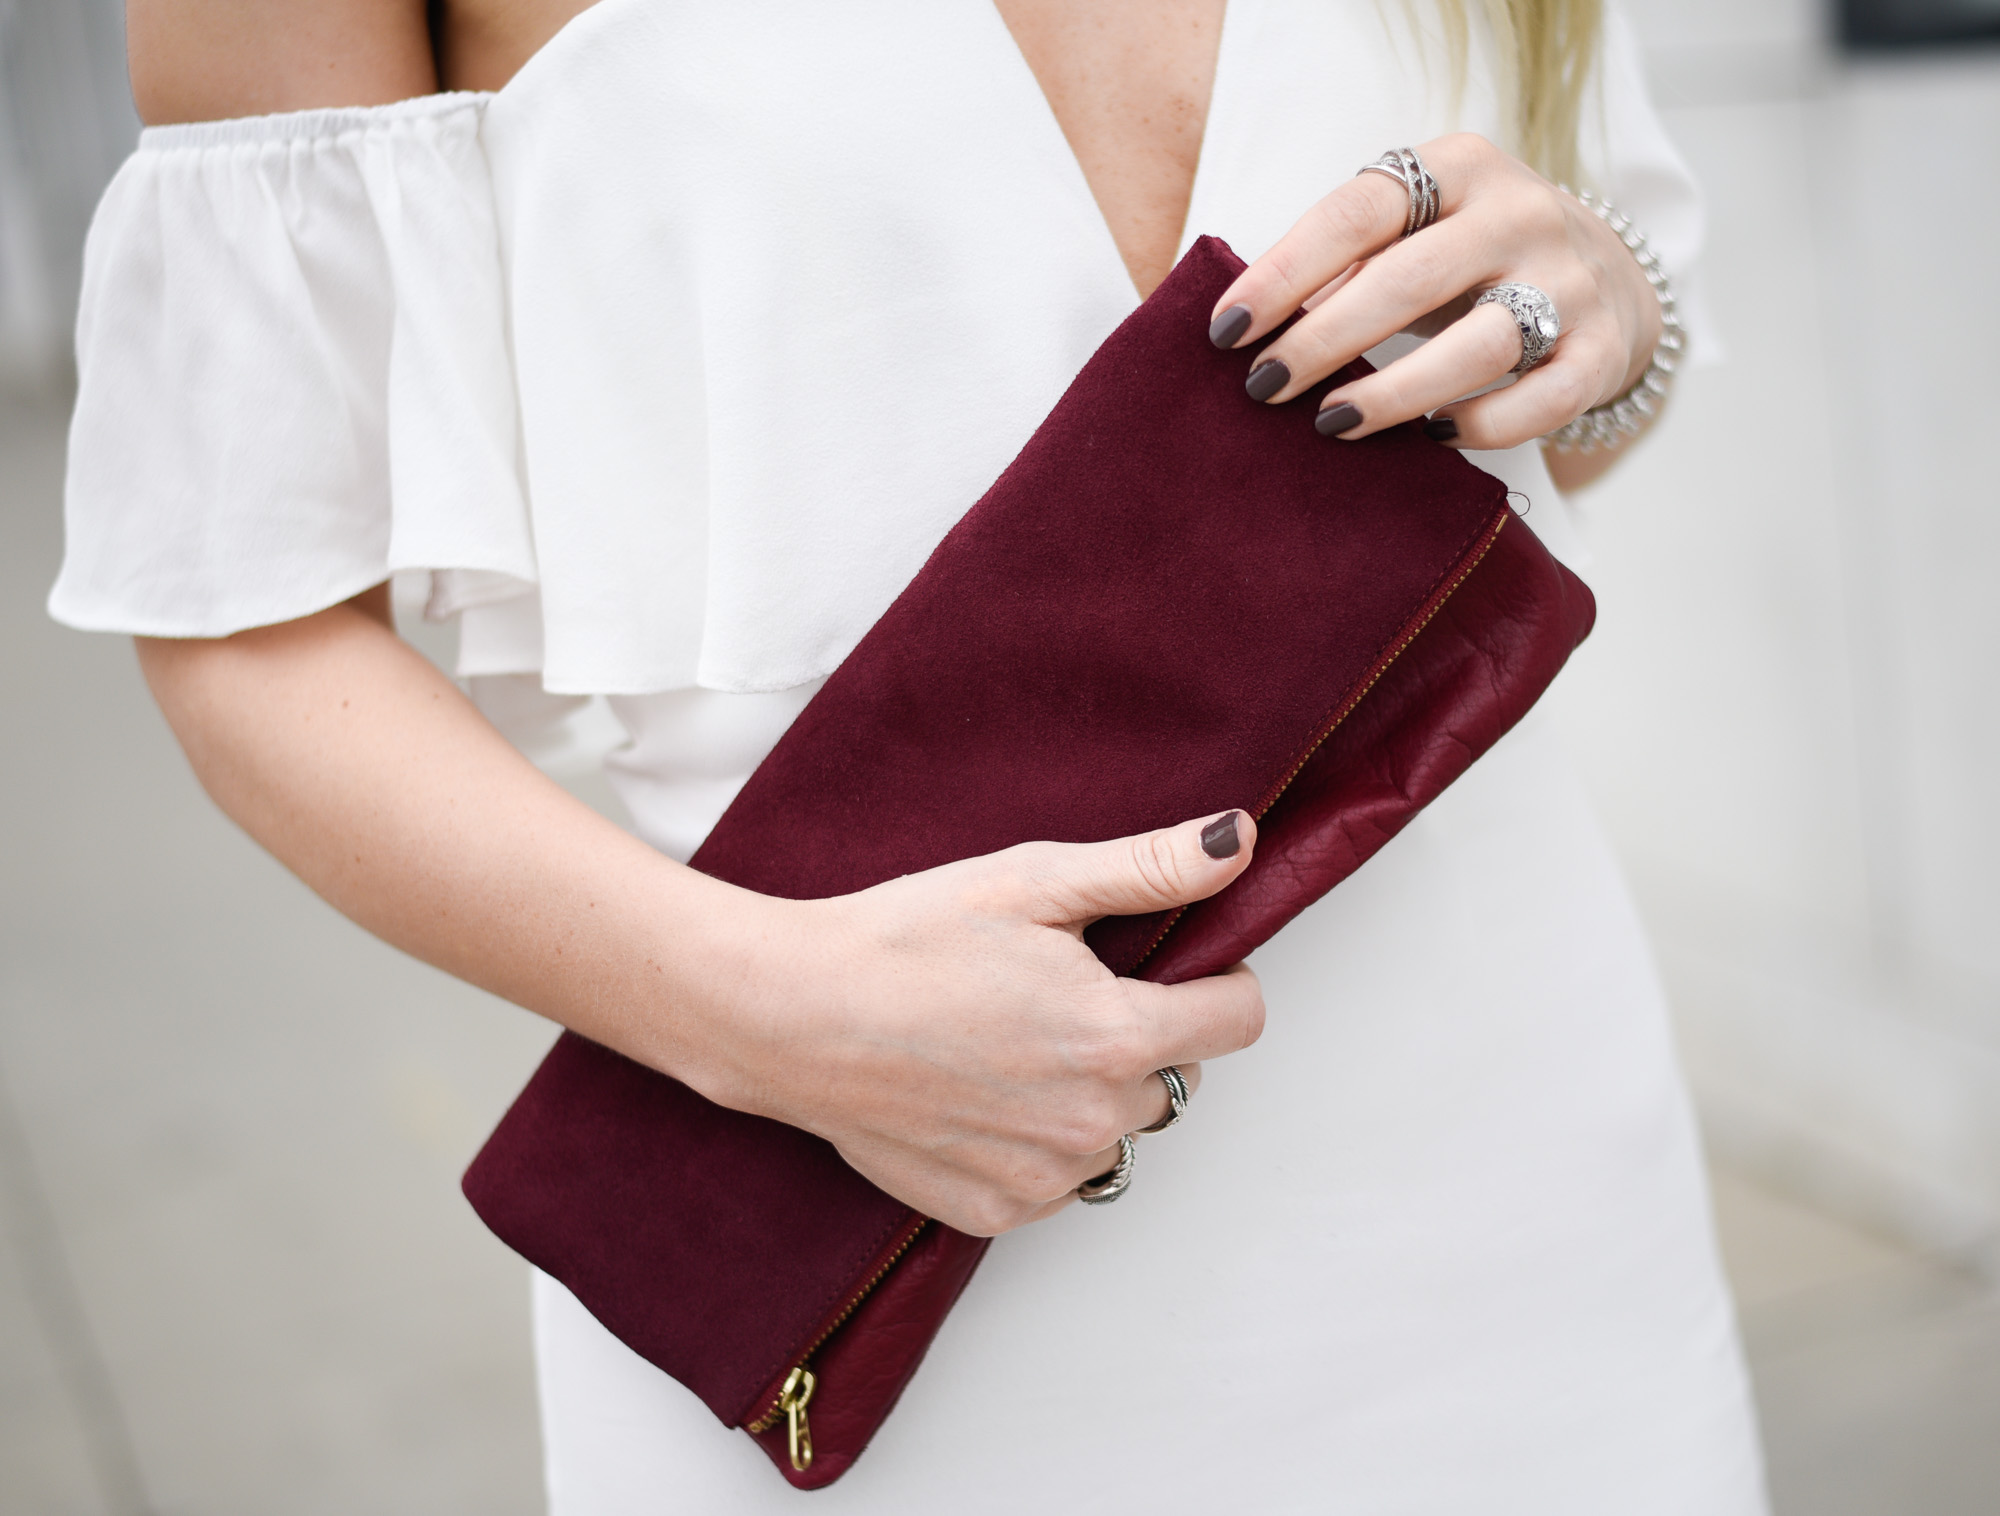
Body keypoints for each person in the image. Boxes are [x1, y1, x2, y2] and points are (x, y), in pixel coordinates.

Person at [53, 0, 1766, 1510]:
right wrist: (772, 1015)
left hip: (1524, 1180)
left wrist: (1606, 316)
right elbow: (246, 628)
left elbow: (1579, 416)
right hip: (853, 1216)